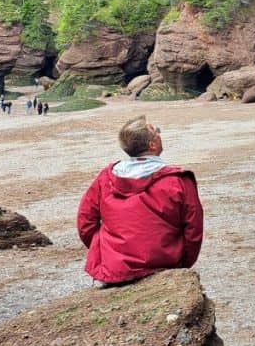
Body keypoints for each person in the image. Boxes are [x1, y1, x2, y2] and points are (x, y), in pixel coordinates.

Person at [76, 116, 204, 286]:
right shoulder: (178, 180)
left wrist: (106, 251)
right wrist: (182, 262)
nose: (159, 134)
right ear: (152, 145)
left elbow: (85, 221)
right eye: (156, 132)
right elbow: (193, 229)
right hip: (164, 262)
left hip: (116, 267)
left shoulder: (105, 178)